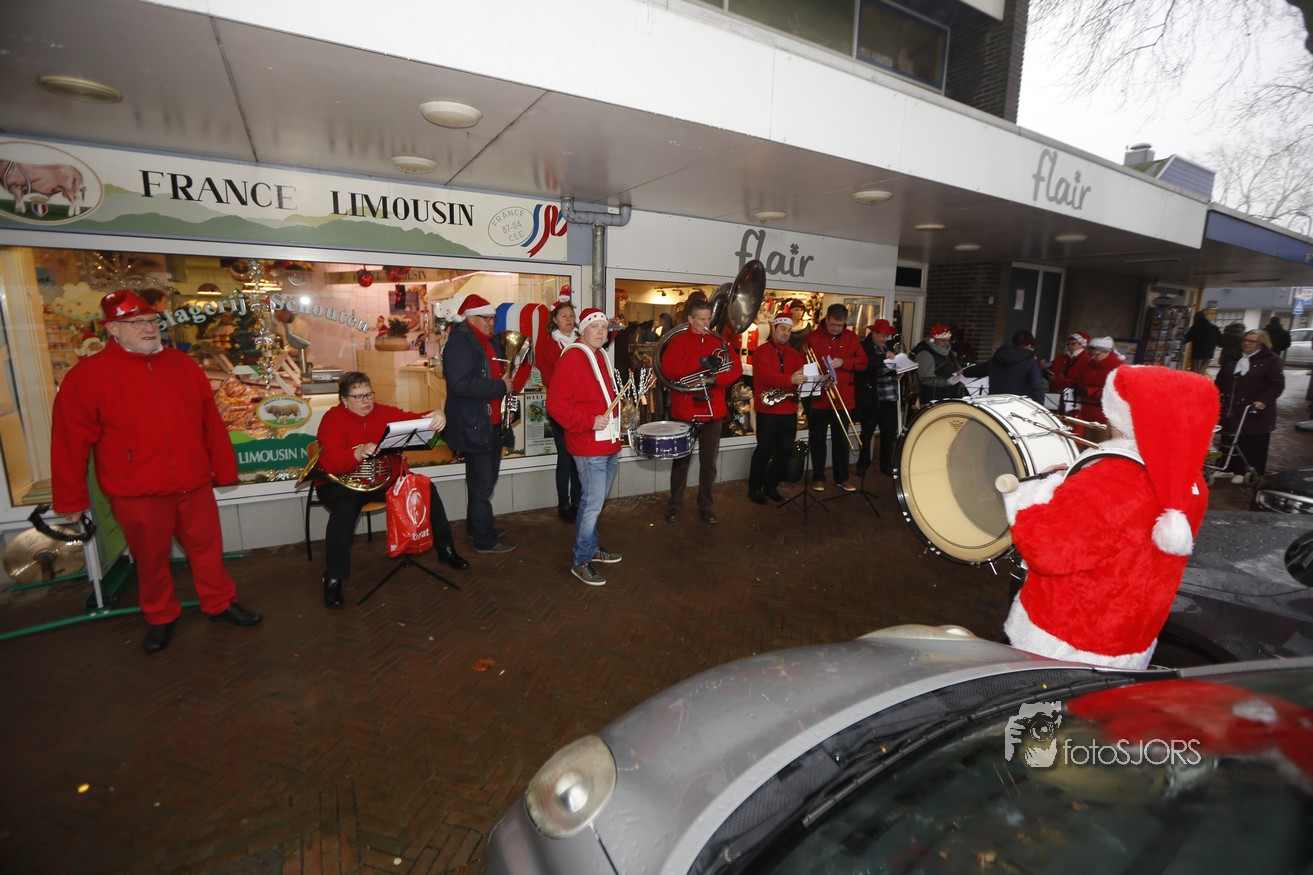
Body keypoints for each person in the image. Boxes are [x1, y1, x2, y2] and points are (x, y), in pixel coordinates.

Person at [51, 290, 262, 654]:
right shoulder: (87, 377)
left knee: (208, 547)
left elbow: (210, 423)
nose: (149, 328)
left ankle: (220, 602)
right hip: (137, 490)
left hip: (193, 483)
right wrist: (70, 499)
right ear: (112, 329)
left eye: (152, 320)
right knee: (150, 559)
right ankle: (160, 615)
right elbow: (69, 443)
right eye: (137, 323)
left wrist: (223, 470)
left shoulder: (184, 366)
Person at [1002, 365, 1218, 669]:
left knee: (1039, 700)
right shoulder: (1191, 481)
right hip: (1132, 636)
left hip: (1064, 640)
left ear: (1123, 416)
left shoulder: (1108, 480)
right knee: (1102, 700)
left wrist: (1036, 490)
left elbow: (1046, 551)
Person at [314, 372, 467, 607]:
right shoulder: (332, 419)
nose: (366, 401)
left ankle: (445, 548)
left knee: (425, 487)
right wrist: (357, 452)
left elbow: (415, 421)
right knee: (344, 511)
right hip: (342, 483)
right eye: (358, 397)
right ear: (344, 399)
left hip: (382, 478)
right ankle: (333, 577)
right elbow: (330, 462)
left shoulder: (383, 412)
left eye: (369, 394)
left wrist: (436, 415)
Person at [545, 308, 624, 585]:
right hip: (588, 445)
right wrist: (589, 422)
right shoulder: (572, 357)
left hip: (608, 443)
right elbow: (556, 406)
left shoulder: (599, 354)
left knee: (596, 503)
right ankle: (580, 560)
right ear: (583, 330)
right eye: (595, 327)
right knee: (591, 504)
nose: (601, 332)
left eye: (604, 327)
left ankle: (591, 548)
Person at [442, 294, 516, 553]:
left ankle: (477, 528)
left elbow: (499, 374)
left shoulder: (488, 340)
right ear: (471, 318)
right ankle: (485, 539)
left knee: (483, 482)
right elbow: (460, 384)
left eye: (493, 318)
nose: (492, 323)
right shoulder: (459, 343)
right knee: (482, 485)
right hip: (476, 424)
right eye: (487, 318)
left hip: (491, 422)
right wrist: (499, 387)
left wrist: (507, 397)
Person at [661, 299, 743, 524]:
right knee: (681, 462)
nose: (707, 324)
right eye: (702, 319)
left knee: (709, 464)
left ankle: (706, 505)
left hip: (712, 410)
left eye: (709, 319)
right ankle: (675, 505)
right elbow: (669, 370)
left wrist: (716, 380)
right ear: (690, 319)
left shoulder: (719, 341)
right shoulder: (677, 341)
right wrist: (699, 362)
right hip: (685, 411)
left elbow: (735, 368)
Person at [804, 304, 867, 492]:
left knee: (842, 440)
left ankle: (842, 478)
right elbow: (804, 365)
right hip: (819, 399)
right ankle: (818, 477)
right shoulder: (812, 337)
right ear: (827, 318)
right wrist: (820, 379)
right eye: (833, 325)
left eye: (840, 325)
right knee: (818, 440)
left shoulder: (852, 338)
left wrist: (844, 362)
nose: (836, 329)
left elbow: (863, 363)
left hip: (843, 398)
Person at [748, 311, 807, 503]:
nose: (786, 333)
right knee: (764, 450)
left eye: (789, 330)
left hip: (789, 410)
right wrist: (790, 379)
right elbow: (766, 377)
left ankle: (771, 485)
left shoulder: (794, 354)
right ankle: (754, 488)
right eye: (783, 329)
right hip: (768, 411)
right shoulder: (761, 351)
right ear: (774, 328)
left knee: (785, 450)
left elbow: (802, 376)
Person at [533, 301, 582, 523]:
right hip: (560, 408)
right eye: (564, 316)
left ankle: (577, 501)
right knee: (565, 456)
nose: (569, 319)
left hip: (580, 407)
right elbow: (547, 377)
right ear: (554, 319)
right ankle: (564, 503)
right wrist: (570, 377)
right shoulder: (549, 345)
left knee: (579, 456)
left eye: (571, 315)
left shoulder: (581, 340)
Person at [1215, 329, 1285, 483]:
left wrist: (1263, 400)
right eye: (1245, 340)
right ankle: (1226, 468)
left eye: (1252, 341)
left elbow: (1276, 384)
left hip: (1254, 408)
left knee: (1250, 439)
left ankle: (1244, 470)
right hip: (1232, 406)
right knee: (1229, 436)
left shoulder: (1271, 360)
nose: (1246, 343)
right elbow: (1221, 379)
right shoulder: (1233, 357)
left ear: (1262, 343)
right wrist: (1215, 393)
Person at [855, 319, 900, 478]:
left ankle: (886, 464)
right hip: (872, 398)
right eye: (882, 335)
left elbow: (886, 369)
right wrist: (883, 358)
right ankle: (863, 464)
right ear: (873, 334)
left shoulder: (888, 346)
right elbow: (865, 367)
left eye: (887, 336)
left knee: (888, 433)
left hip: (889, 397)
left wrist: (897, 373)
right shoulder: (864, 346)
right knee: (867, 433)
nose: (885, 339)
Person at [963, 330, 1045, 403]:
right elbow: (1037, 386)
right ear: (1029, 346)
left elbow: (979, 370)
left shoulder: (998, 358)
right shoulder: (1030, 362)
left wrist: (964, 371)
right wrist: (1039, 406)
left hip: (993, 403)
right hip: (1017, 405)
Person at [1072, 336, 1122, 428]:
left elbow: (1116, 392)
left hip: (1105, 417)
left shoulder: (1118, 367)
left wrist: (1089, 392)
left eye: (1096, 355)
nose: (1092, 357)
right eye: (1090, 354)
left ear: (1107, 352)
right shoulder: (1089, 365)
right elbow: (1079, 380)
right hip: (1086, 413)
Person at [912, 324, 964, 404]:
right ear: (933, 339)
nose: (946, 343)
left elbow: (954, 367)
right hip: (932, 399)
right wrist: (947, 381)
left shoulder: (950, 352)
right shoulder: (925, 354)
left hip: (949, 396)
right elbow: (925, 379)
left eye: (948, 340)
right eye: (942, 340)